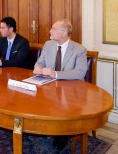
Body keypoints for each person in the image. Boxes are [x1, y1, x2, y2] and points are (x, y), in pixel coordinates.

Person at [33, 19, 87, 150]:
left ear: (63, 33)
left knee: (63, 108)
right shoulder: (48, 44)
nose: (50, 31)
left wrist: (55, 74)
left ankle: (61, 136)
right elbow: (40, 61)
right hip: (49, 87)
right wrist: (37, 68)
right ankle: (44, 129)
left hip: (71, 92)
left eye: (53, 28)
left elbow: (80, 73)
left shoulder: (79, 49)